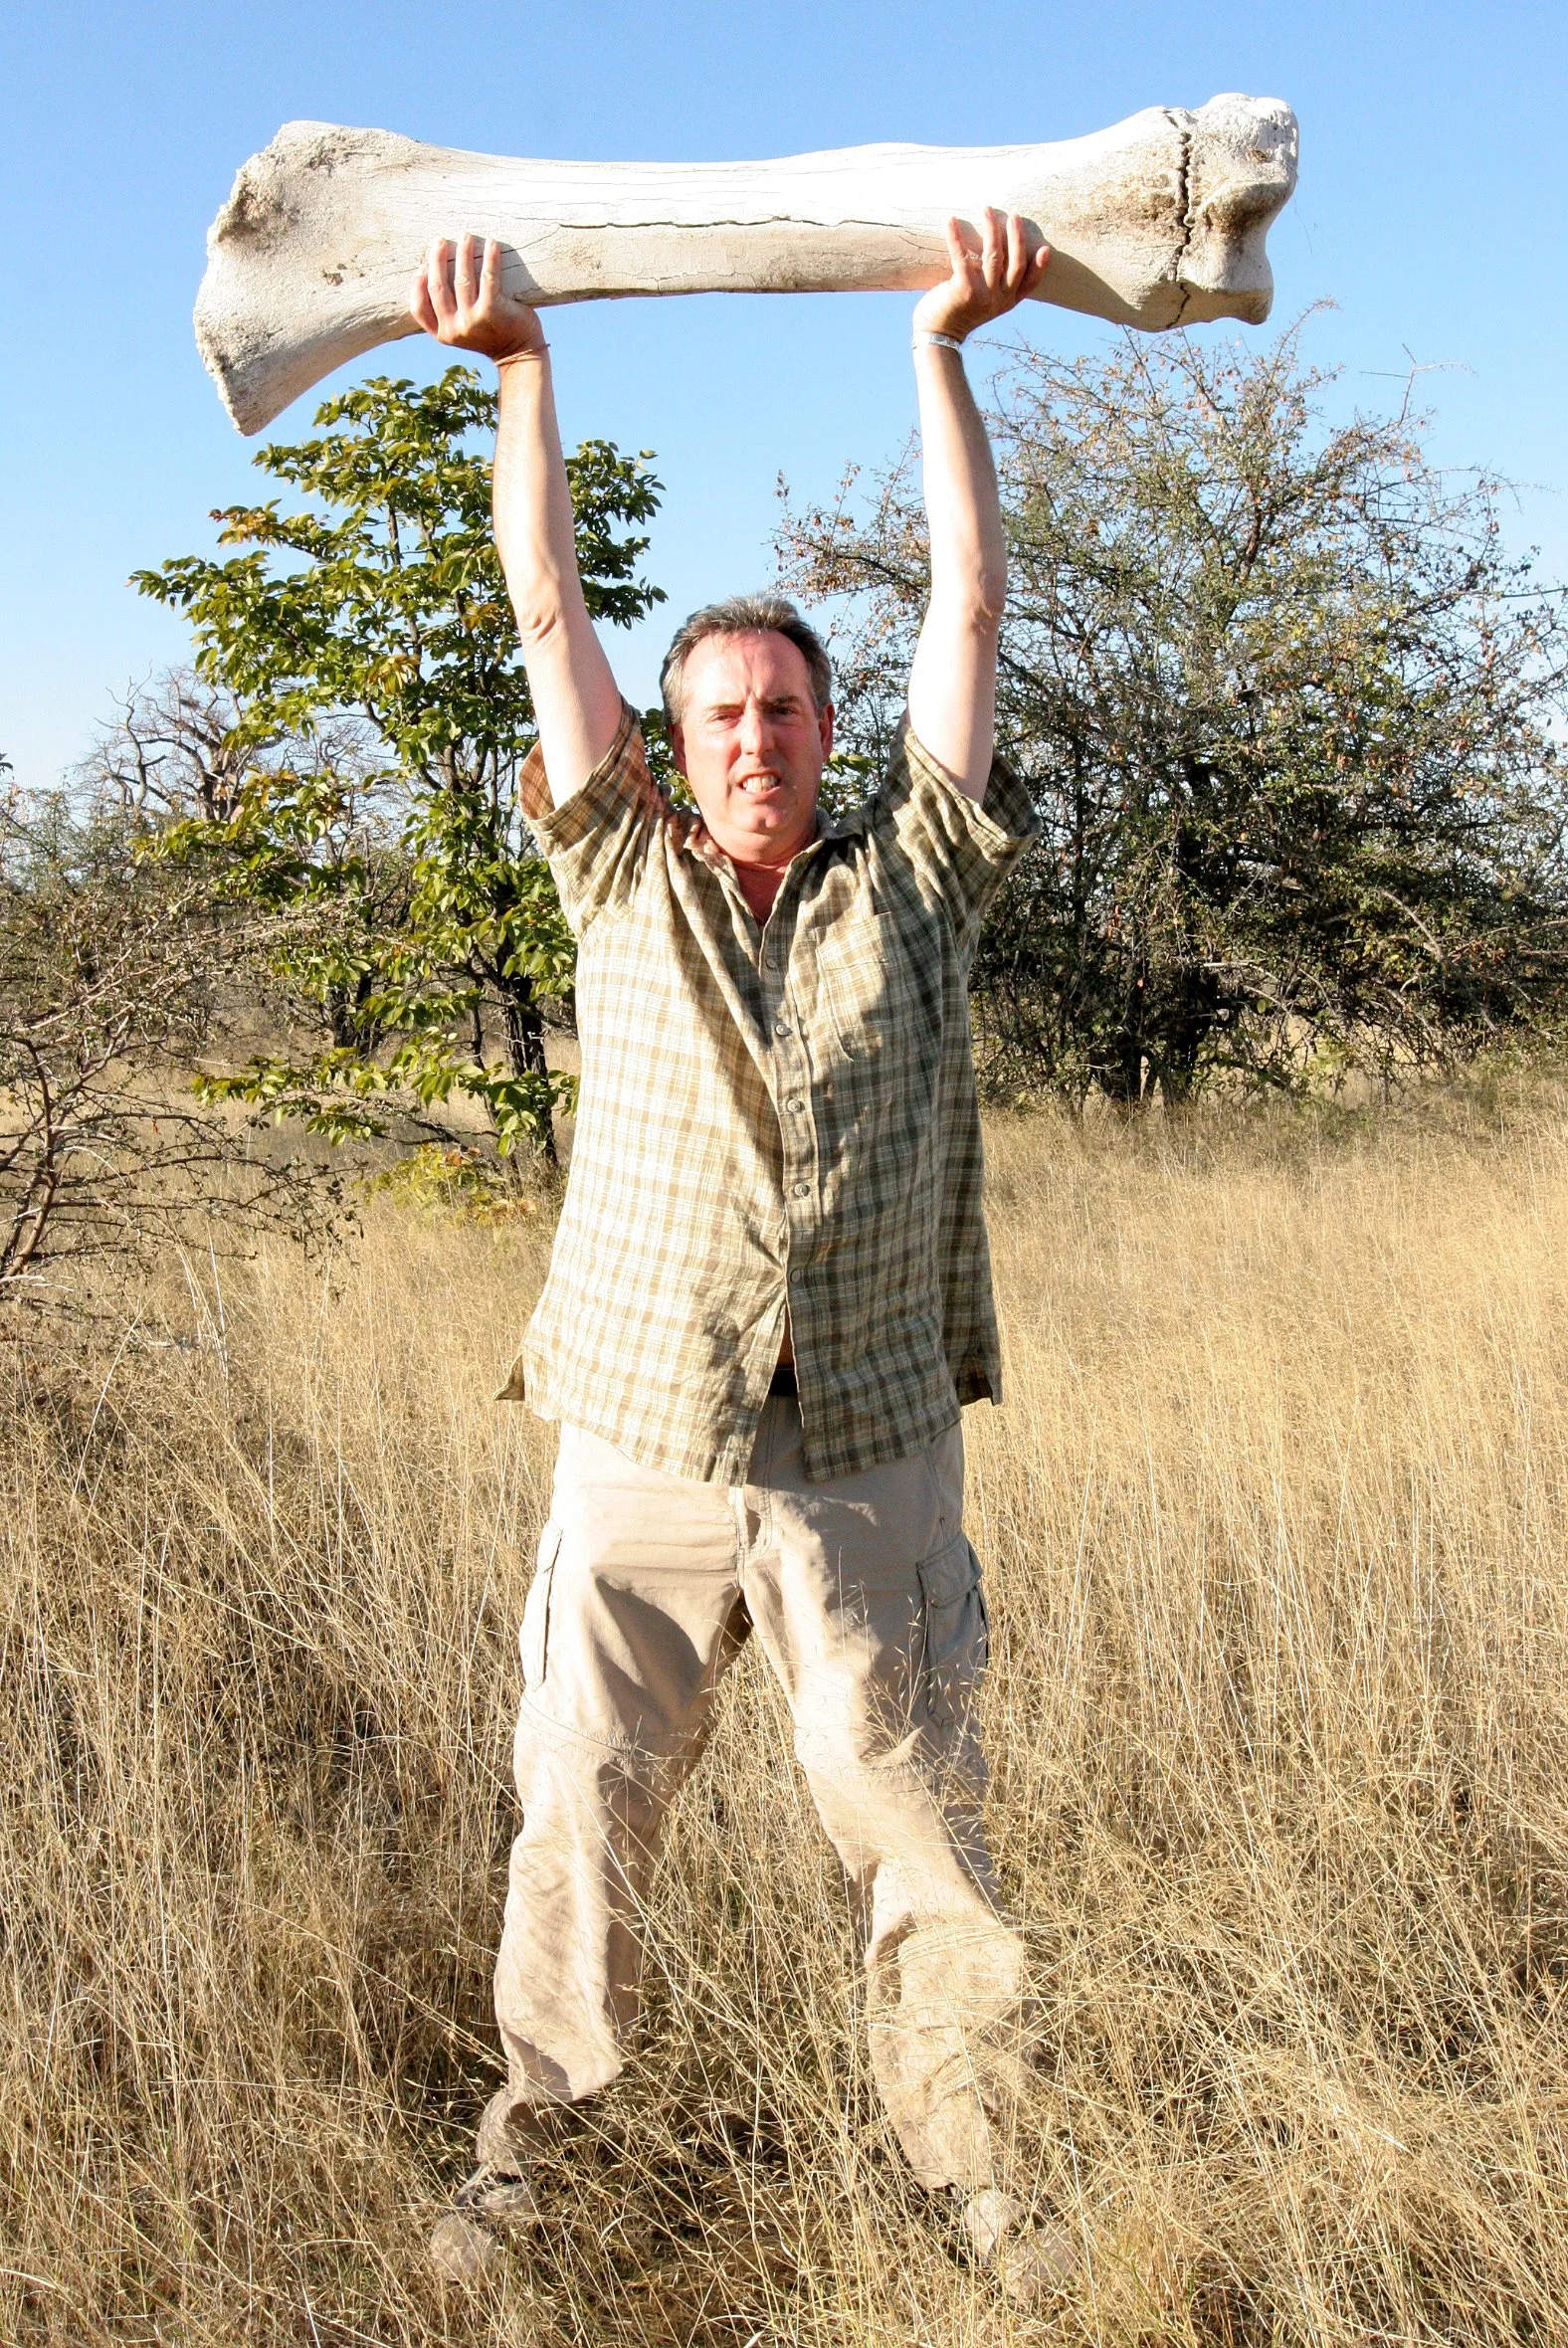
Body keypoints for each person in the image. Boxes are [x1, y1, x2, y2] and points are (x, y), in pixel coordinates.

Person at [410, 214, 1062, 2300]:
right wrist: (521, 370)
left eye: (783, 707)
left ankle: (981, 2183)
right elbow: (537, 602)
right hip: (639, 1439)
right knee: (582, 1817)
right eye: (717, 714)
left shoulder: (916, 887)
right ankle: (532, 2162)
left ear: (822, 723)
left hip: (863, 1445)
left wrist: (938, 346)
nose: (755, 738)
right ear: (670, 750)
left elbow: (968, 592)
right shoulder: (622, 883)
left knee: (919, 1836)